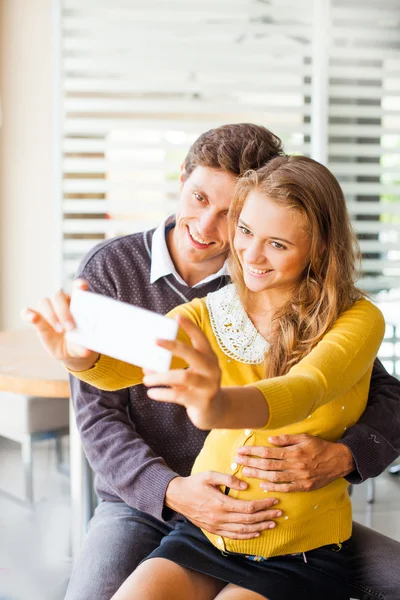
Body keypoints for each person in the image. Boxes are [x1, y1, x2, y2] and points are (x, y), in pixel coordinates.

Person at [24, 125, 400, 600]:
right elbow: (138, 369)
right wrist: (85, 360)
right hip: (158, 503)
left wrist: (343, 454)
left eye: (231, 217)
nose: (211, 229)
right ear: (181, 179)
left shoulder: (346, 313)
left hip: (289, 530)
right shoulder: (178, 293)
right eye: (200, 199)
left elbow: (320, 386)